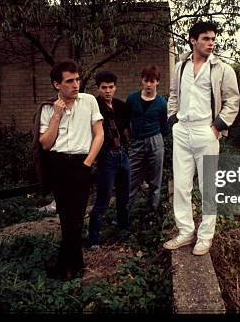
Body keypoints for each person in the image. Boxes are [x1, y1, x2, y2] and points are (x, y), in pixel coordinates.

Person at [164, 21, 240, 256]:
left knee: (208, 187)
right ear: (192, 40)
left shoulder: (222, 69)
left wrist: (217, 127)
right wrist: (172, 120)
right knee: (181, 186)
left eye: (213, 39)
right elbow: (174, 94)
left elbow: (233, 101)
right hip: (183, 131)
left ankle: (205, 237)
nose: (211, 43)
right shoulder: (179, 67)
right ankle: (186, 232)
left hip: (206, 132)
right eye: (206, 38)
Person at [38, 60, 104, 281]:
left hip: (80, 163)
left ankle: (64, 267)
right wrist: (57, 115)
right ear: (57, 84)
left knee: (76, 217)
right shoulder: (48, 108)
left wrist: (88, 163)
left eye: (77, 79)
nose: (76, 85)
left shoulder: (89, 101)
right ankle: (74, 266)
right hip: (58, 165)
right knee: (67, 218)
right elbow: (45, 144)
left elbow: (99, 135)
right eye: (70, 81)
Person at [87, 70, 131, 248]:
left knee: (124, 196)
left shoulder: (120, 106)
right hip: (107, 158)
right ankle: (94, 239)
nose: (107, 91)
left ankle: (124, 230)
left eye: (111, 87)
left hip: (122, 154)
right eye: (103, 87)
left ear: (115, 88)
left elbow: (126, 129)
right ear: (98, 89)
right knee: (103, 198)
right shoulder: (94, 107)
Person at [126, 65, 168, 215]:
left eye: (152, 81)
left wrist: (156, 139)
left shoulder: (162, 103)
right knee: (131, 179)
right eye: (146, 81)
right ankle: (125, 215)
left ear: (157, 82)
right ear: (142, 81)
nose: (149, 84)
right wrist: (131, 138)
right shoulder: (132, 99)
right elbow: (126, 121)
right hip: (136, 142)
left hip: (155, 141)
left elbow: (165, 126)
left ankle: (151, 213)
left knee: (155, 180)